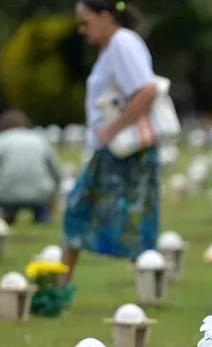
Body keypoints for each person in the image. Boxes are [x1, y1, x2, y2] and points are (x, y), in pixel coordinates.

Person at [63, 0, 160, 287]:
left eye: (85, 21)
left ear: (105, 17)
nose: (82, 30)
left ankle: (58, 290)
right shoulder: (113, 47)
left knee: (82, 211)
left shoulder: (122, 43)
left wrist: (111, 129)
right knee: (122, 218)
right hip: (114, 150)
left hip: (125, 150)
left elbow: (147, 90)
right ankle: (59, 289)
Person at [0, 109, 62, 225]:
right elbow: (57, 172)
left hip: (7, 195)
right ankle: (42, 218)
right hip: (41, 196)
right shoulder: (40, 139)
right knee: (43, 195)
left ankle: (6, 218)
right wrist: (54, 193)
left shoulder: (2, 139)